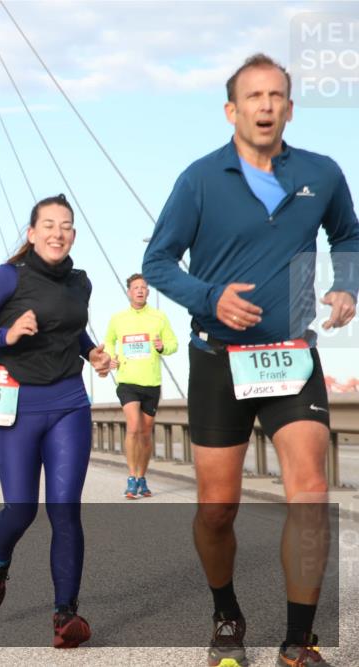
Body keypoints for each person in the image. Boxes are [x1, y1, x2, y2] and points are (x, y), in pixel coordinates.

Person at [143, 53, 358, 667]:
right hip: (219, 359)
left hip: (292, 357)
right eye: (254, 96)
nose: (266, 106)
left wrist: (347, 284)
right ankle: (227, 615)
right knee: (217, 508)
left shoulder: (321, 173)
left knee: (311, 492)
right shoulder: (200, 179)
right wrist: (210, 297)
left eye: (277, 96)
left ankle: (299, 642)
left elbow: (349, 234)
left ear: (290, 108)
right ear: (231, 109)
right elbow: (159, 261)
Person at [0, 194, 111, 649]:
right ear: (31, 233)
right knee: (21, 509)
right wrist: (5, 334)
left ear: (73, 235)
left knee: (65, 511)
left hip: (68, 402)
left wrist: (93, 352)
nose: (57, 232)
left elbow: (73, 330)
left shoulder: (80, 282)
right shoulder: (9, 276)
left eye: (65, 225)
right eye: (48, 224)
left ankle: (66, 615)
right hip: (16, 406)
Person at [104, 273, 178, 499]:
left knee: (145, 434)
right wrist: (111, 356)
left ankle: (142, 478)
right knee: (134, 426)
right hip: (127, 381)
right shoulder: (118, 319)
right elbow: (109, 341)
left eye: (143, 287)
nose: (140, 290)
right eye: (135, 287)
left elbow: (173, 344)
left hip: (151, 382)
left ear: (147, 292)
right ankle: (131, 477)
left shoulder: (159, 317)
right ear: (129, 292)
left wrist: (161, 346)